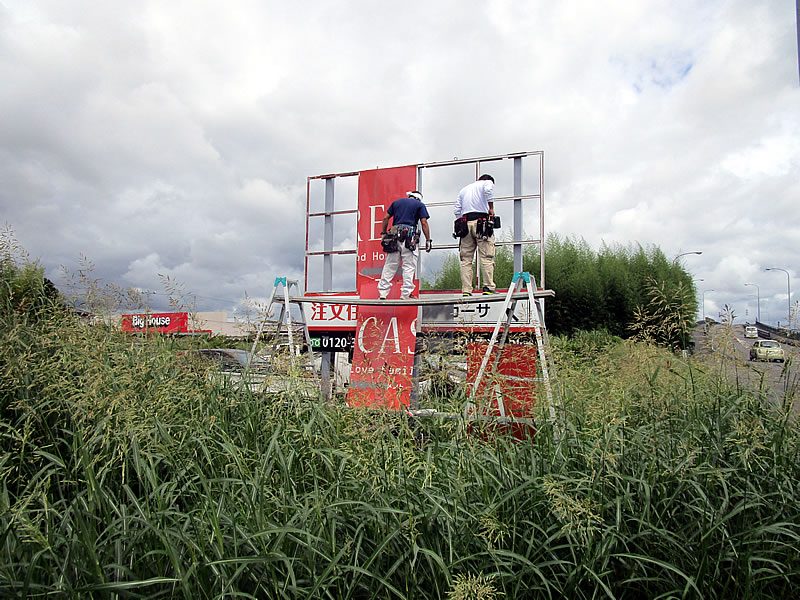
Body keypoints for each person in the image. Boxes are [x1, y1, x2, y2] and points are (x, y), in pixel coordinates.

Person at [377, 191, 432, 300]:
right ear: (419, 198)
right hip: (409, 238)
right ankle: (405, 294)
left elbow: (385, 218)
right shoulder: (419, 205)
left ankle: (383, 294)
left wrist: (383, 233)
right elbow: (424, 222)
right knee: (408, 266)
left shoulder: (396, 203)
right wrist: (428, 240)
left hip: (394, 236)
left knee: (390, 265)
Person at [454, 174, 496, 296]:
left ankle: (466, 290)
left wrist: (462, 222)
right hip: (481, 223)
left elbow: (456, 210)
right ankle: (488, 287)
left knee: (466, 260)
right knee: (487, 257)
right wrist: (491, 208)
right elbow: (488, 190)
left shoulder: (464, 189)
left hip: (465, 224)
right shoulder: (487, 183)